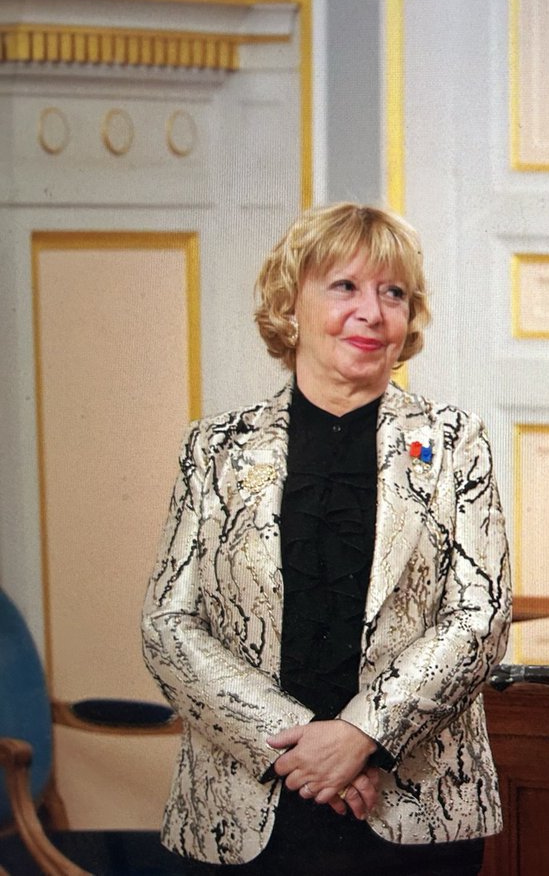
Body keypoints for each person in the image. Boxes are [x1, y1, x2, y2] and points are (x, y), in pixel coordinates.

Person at [141, 203, 511, 874]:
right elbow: (169, 626)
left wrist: (361, 735)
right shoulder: (217, 449)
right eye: (345, 287)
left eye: (392, 292)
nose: (371, 311)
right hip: (244, 807)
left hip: (412, 813)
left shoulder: (457, 443)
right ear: (291, 306)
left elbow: (479, 619)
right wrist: (301, 749)